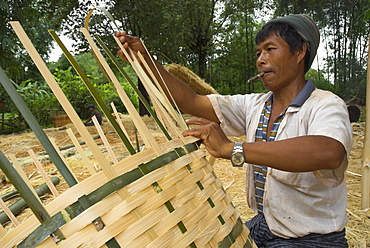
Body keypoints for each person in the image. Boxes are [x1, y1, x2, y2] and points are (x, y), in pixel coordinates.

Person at [116, 14, 352, 247]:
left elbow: (329, 151)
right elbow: (192, 101)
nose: (261, 59)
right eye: (259, 53)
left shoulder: (325, 104)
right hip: (265, 225)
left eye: (270, 49)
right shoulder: (255, 106)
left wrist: (232, 149)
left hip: (311, 239)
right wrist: (144, 61)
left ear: (300, 52)